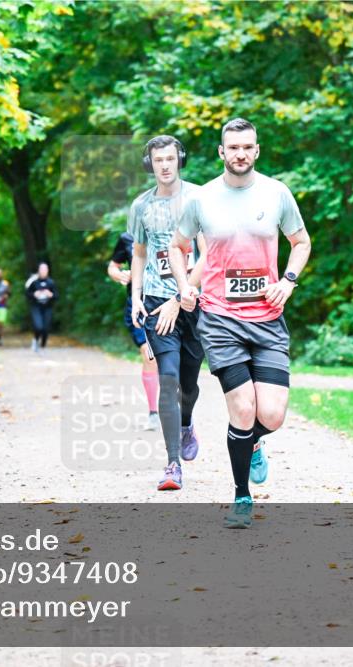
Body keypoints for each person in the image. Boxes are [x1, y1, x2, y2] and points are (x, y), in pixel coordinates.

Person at [169, 118, 311, 527]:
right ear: (221, 152)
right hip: (220, 320)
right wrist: (184, 286)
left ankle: (250, 443)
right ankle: (242, 497)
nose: (240, 154)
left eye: (247, 147)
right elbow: (178, 247)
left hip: (267, 319)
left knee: (272, 415)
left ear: (257, 150)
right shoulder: (202, 199)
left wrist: (288, 281)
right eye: (233, 147)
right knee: (243, 408)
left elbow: (301, 242)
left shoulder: (276, 193)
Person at [128, 135, 207, 492]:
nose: (164, 165)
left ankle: (186, 423)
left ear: (180, 160)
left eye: (170, 159)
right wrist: (136, 297)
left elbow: (208, 254)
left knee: (189, 383)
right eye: (158, 159)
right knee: (169, 379)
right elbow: (139, 254)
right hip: (158, 304)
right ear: (150, 163)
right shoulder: (141, 206)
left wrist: (183, 293)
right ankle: (173, 463)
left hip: (196, 303)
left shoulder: (198, 199)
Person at [108, 232, 160, 431]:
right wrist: (120, 274)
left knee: (169, 357)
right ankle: (153, 413)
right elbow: (112, 266)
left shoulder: (170, 232)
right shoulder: (127, 238)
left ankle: (177, 409)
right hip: (138, 305)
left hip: (165, 303)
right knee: (149, 355)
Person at [25, 262, 57, 352]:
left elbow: (56, 295)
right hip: (36, 307)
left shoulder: (51, 282)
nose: (43, 271)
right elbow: (27, 294)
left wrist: (51, 295)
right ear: (38, 271)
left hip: (47, 307)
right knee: (38, 326)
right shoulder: (34, 282)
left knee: (46, 328)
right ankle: (35, 340)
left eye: (45, 269)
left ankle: (43, 345)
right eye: (42, 269)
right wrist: (34, 294)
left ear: (48, 271)